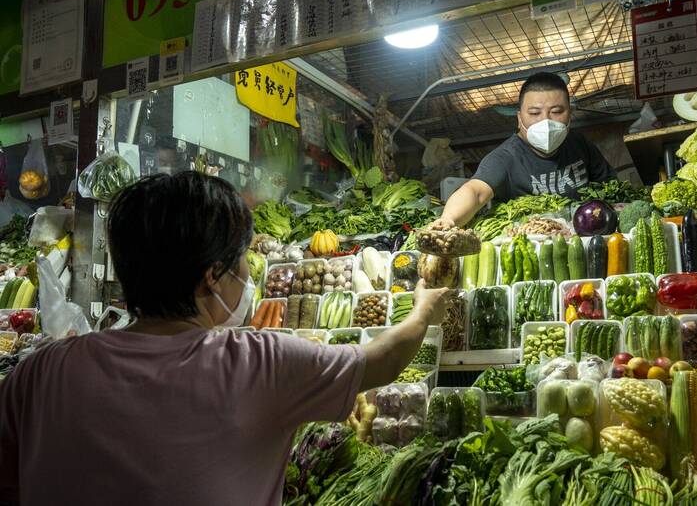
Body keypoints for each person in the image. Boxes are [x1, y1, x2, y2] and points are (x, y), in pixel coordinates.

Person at [0, 172, 448, 506]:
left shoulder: (40, 371)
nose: (247, 277)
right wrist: (425, 309)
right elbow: (382, 362)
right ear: (211, 278)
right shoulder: (258, 363)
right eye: (242, 263)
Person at [433, 72, 617, 229]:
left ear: (570, 113)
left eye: (557, 111)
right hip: (529, 246)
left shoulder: (579, 144)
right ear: (519, 118)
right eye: (535, 113)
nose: (546, 120)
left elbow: (610, 187)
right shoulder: (504, 158)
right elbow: (475, 191)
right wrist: (449, 219)